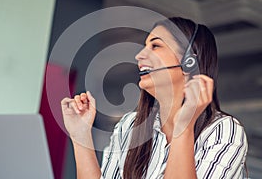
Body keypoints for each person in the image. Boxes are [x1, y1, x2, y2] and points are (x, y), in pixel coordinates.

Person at [61, 17, 248, 179]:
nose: (139, 55)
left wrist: (183, 127)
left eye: (155, 45)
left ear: (189, 61)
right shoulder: (129, 126)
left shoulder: (223, 131)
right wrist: (80, 134)